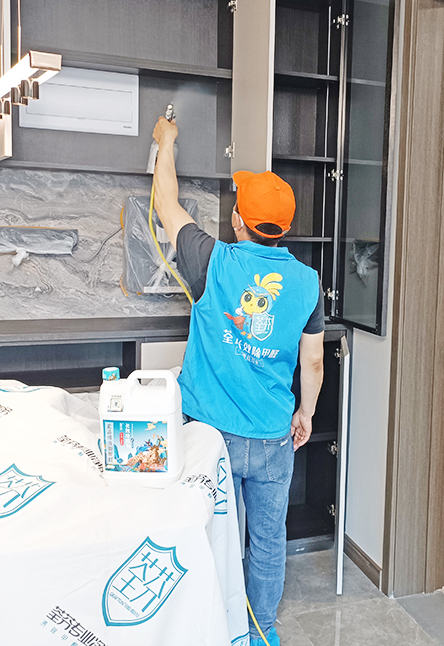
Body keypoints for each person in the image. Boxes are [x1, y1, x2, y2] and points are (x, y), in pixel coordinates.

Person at [150, 116, 325, 646]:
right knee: (267, 540)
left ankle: (208, 628)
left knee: (209, 534)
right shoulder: (307, 282)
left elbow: (165, 204)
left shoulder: (213, 260)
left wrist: (166, 141)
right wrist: (305, 414)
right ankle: (260, 632)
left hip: (211, 436)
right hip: (273, 436)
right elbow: (313, 362)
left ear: (238, 220)